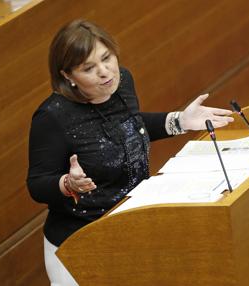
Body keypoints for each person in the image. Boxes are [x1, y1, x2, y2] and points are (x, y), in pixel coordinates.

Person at [26, 19, 233, 285]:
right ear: (67, 76)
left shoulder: (122, 81)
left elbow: (129, 126)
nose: (105, 72)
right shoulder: (52, 117)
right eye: (89, 68)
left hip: (131, 227)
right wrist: (68, 183)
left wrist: (180, 121)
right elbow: (36, 184)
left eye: (106, 57)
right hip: (78, 243)